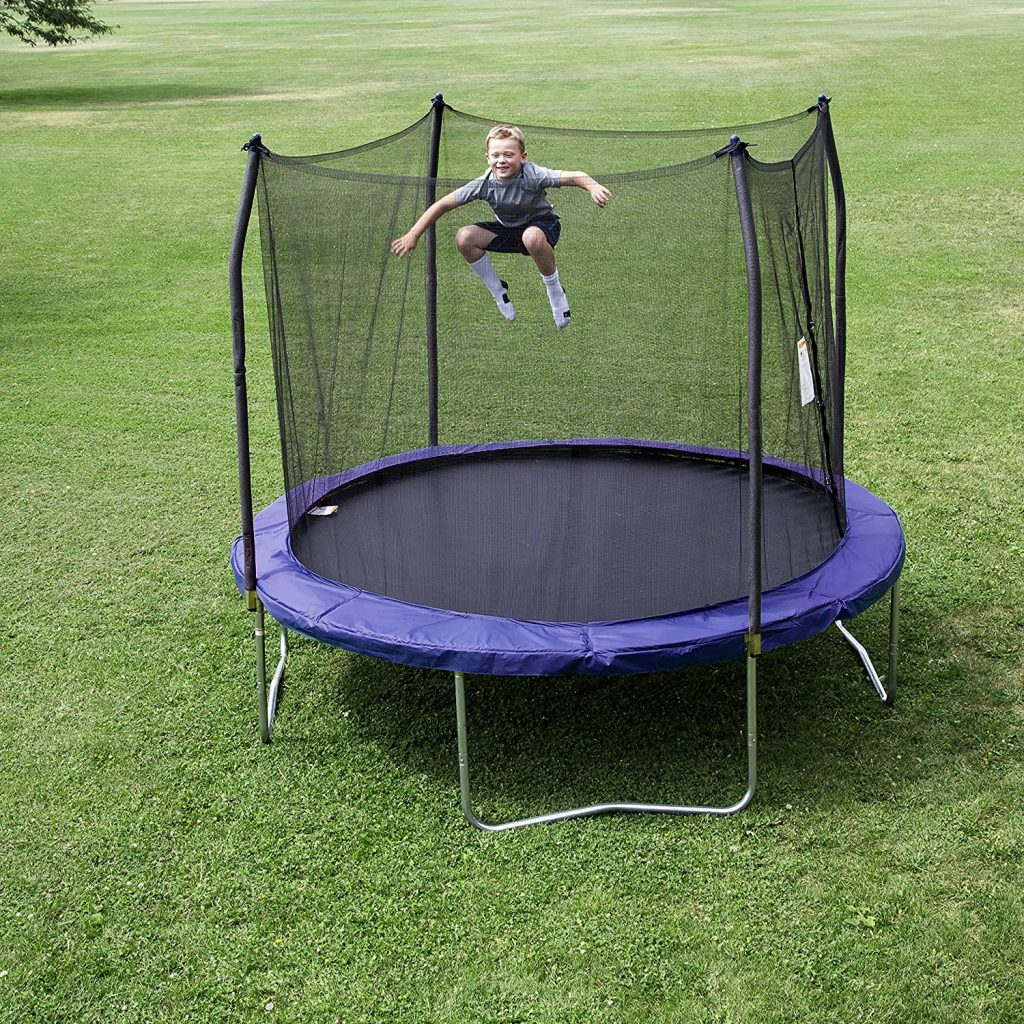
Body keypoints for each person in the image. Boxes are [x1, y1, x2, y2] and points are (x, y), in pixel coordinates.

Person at [391, 124, 611, 329]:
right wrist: (413, 234)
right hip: (508, 229)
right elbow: (442, 205)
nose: (502, 160)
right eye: (495, 155)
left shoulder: (532, 174)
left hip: (543, 226)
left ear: (523, 157)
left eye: (509, 154)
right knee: (464, 237)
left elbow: (573, 176)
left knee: (532, 237)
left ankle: (554, 290)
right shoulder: (484, 183)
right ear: (487, 158)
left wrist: (592, 187)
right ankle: (498, 290)